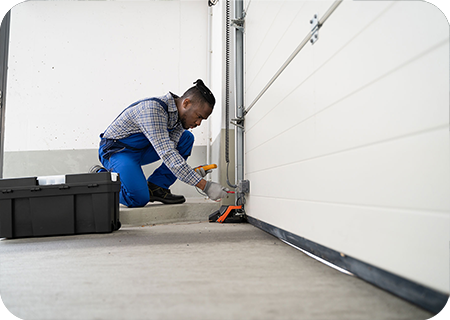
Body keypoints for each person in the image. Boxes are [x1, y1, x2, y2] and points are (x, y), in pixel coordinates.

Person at [91, 79, 229, 208]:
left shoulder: (179, 118)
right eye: (199, 116)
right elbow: (168, 155)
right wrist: (205, 186)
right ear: (186, 103)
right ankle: (100, 177)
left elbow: (173, 153)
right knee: (138, 198)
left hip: (141, 149)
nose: (198, 123)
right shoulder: (153, 110)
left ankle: (157, 187)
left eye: (202, 120)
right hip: (117, 151)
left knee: (186, 138)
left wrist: (190, 173)